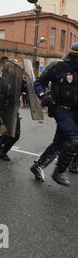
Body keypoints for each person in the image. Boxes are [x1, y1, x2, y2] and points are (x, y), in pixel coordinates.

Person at [33, 42, 78, 186]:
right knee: (74, 139)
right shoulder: (57, 67)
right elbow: (39, 82)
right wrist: (43, 95)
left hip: (76, 111)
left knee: (59, 143)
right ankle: (59, 172)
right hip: (61, 109)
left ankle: (38, 165)